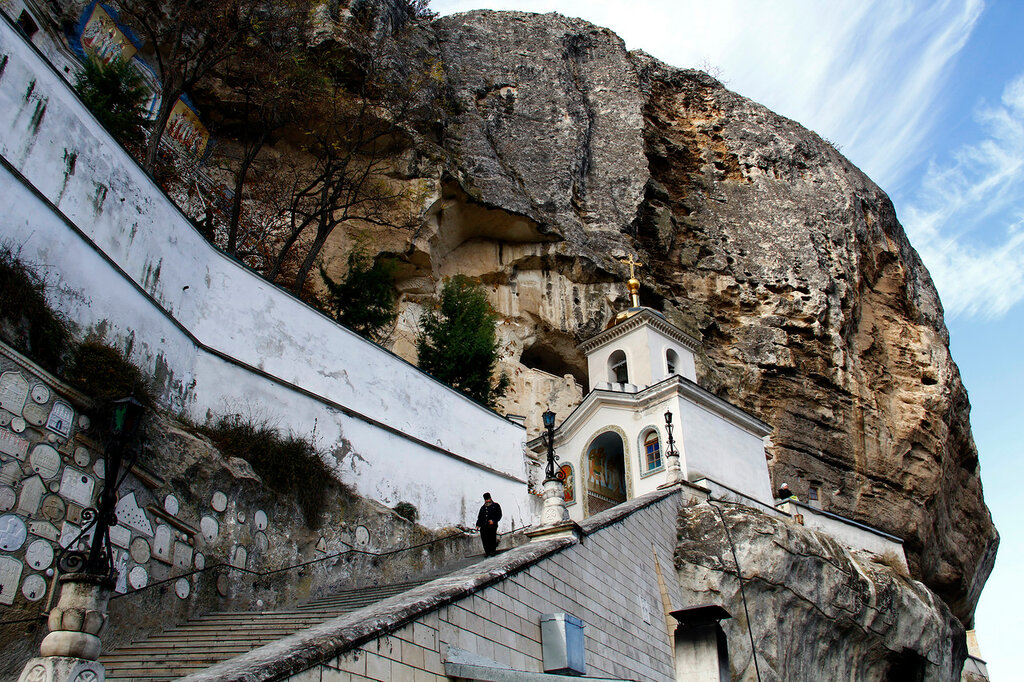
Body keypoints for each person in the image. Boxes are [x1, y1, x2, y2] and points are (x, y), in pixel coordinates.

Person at [476, 492, 502, 557]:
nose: (487, 501)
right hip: (484, 526)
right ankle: (487, 551)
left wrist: (494, 521)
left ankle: (493, 551)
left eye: (488, 499)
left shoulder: (496, 506)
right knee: (484, 539)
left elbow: (499, 515)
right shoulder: (482, 508)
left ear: (490, 498)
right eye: (486, 500)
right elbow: (480, 517)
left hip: (492, 526)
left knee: (492, 538)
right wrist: (478, 524)